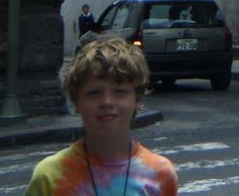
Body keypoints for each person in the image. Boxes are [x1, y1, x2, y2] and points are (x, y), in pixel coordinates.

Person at [24, 37, 178, 196]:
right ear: (77, 102)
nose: (106, 102)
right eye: (94, 93)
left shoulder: (161, 173)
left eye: (119, 92)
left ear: (138, 99)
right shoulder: (49, 176)